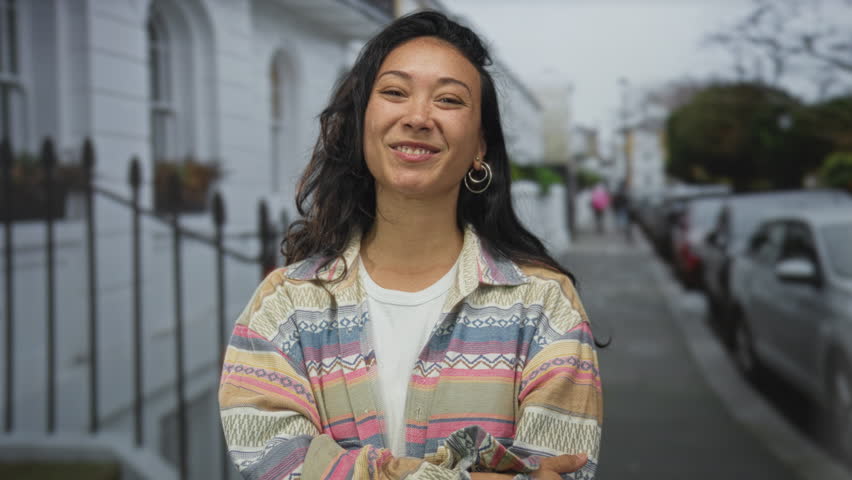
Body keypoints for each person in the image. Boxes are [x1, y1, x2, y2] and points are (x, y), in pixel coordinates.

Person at [219, 11, 602, 480]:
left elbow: (562, 470)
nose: (418, 118)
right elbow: (272, 463)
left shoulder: (545, 306)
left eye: (448, 100)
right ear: (362, 124)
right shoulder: (282, 307)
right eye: (395, 92)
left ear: (480, 145)